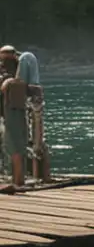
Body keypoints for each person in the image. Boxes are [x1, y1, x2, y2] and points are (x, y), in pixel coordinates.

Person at [0, 47, 46, 183]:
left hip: (14, 110)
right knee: (21, 145)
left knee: (17, 146)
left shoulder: (12, 83)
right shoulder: (12, 82)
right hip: (15, 111)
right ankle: (21, 178)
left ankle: (19, 180)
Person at [1, 55, 26, 191]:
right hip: (19, 116)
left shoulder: (8, 81)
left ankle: (17, 181)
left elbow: (3, 89)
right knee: (19, 149)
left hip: (10, 117)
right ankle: (19, 179)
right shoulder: (21, 81)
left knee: (14, 149)